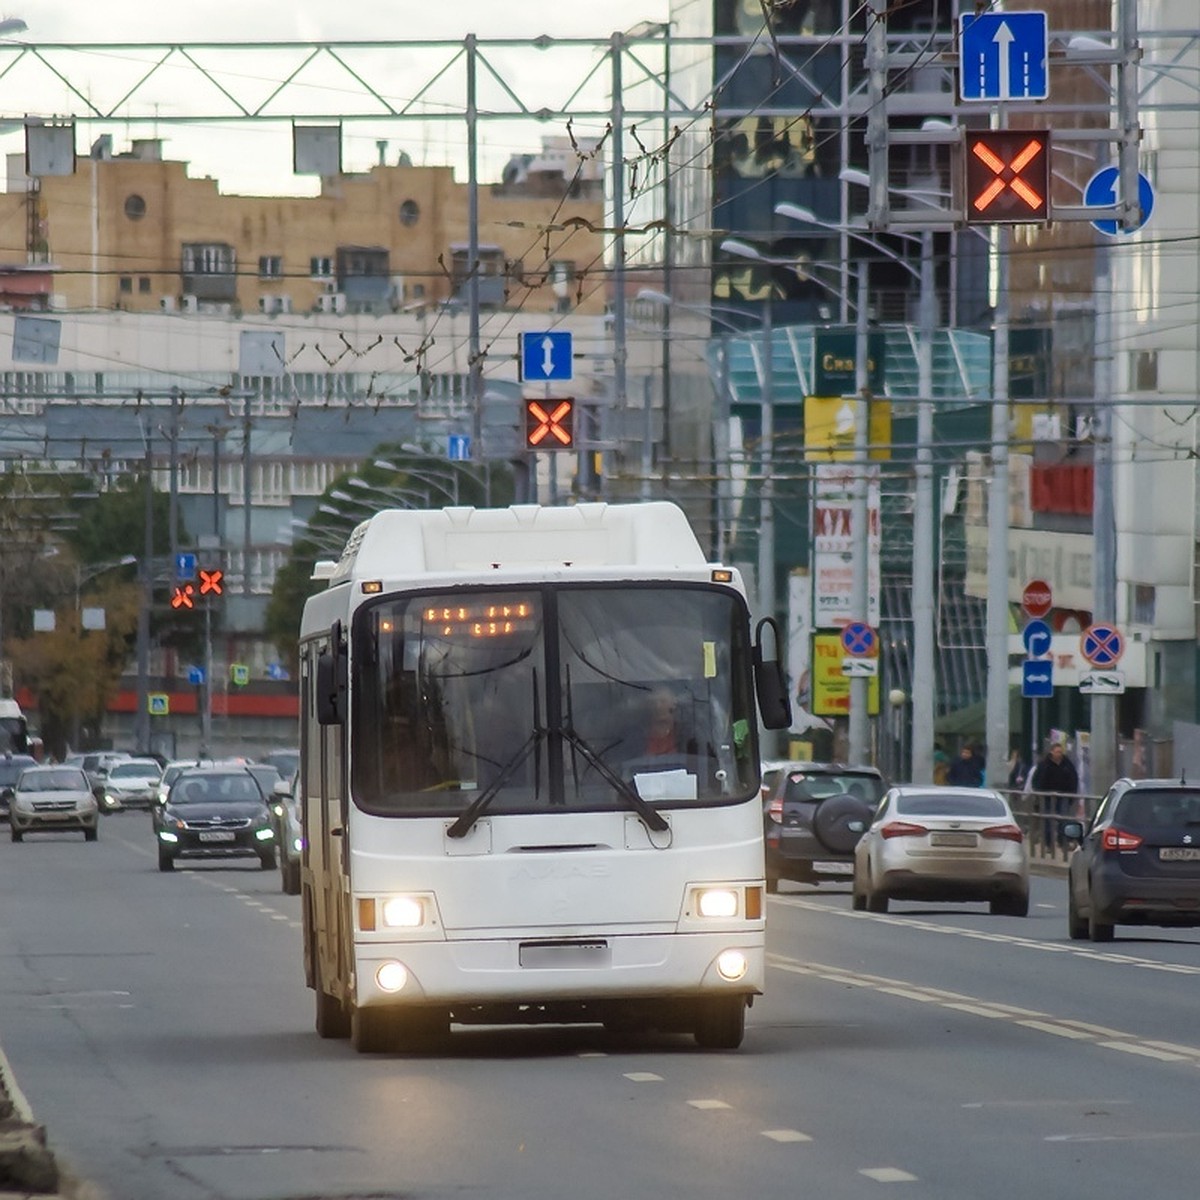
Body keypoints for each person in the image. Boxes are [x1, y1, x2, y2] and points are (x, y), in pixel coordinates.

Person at [1030, 741, 1079, 848]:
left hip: (1063, 796)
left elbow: (1073, 778)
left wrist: (1072, 795)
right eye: (1057, 752)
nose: (1059, 754)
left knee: (1063, 820)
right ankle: (1049, 844)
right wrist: (1039, 793)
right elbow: (1036, 779)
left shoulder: (1067, 764)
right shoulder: (1044, 764)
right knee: (1048, 821)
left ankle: (1062, 841)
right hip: (1047, 797)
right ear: (1052, 752)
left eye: (1061, 752)